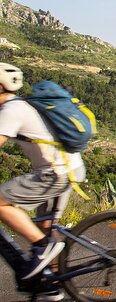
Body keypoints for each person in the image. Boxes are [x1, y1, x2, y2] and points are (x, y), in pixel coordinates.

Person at [0, 63, 86, 300]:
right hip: (69, 168)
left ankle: (44, 249)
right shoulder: (18, 106)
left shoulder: (11, 110)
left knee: (0, 203)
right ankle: (50, 283)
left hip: (56, 173)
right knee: (46, 230)